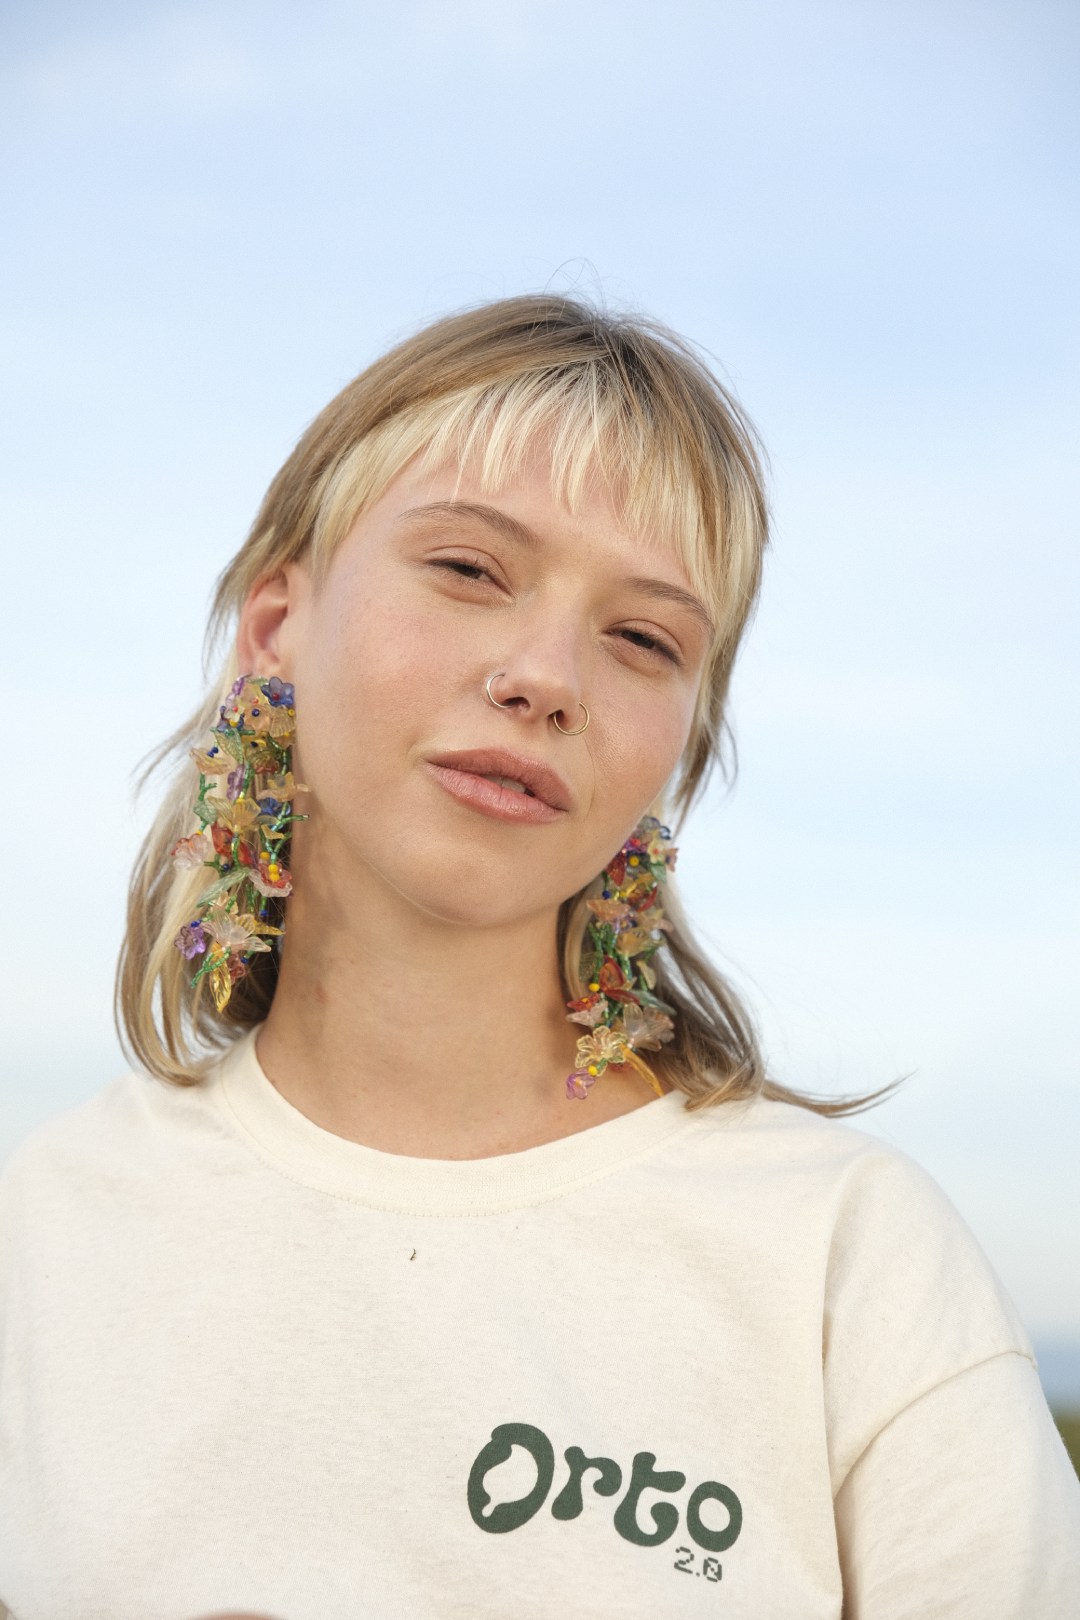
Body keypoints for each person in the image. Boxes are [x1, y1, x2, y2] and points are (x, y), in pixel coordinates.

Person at [1, 295, 1077, 1620]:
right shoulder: (39, 1241)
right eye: (468, 569)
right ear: (277, 629)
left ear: (672, 750)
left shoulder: (847, 1257)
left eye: (644, 638)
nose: (546, 673)